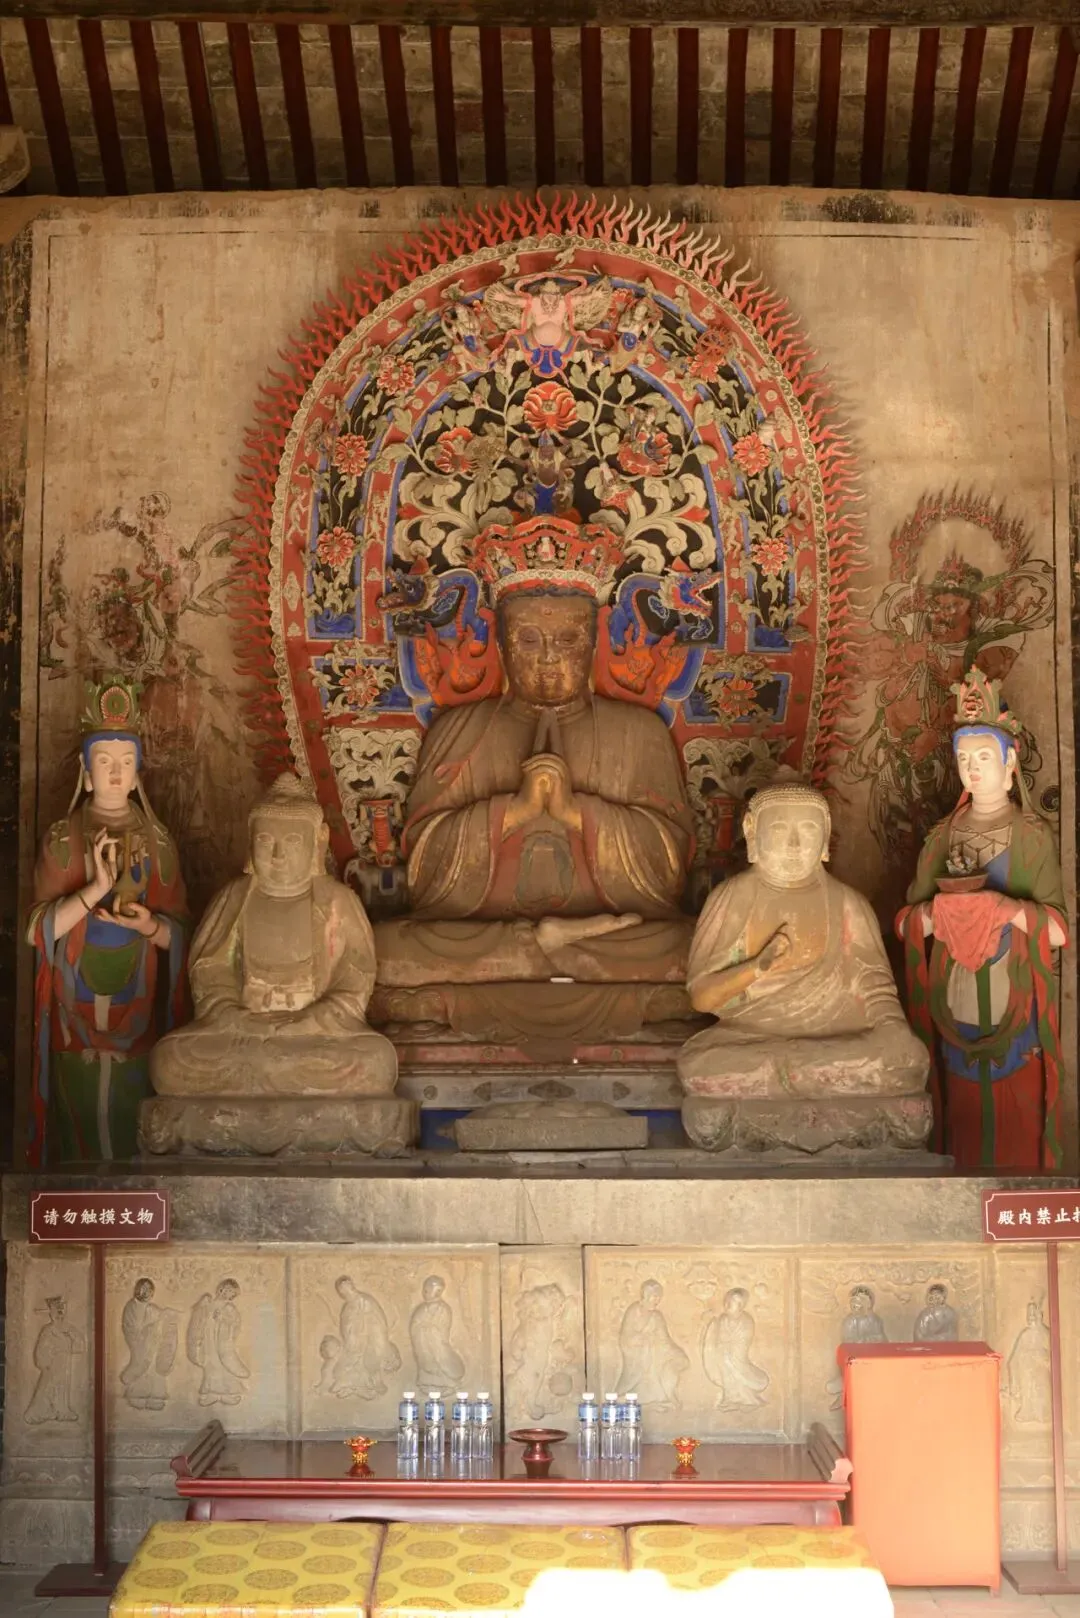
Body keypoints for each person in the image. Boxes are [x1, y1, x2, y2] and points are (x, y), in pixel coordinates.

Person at [373, 513, 696, 1046]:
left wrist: (578, 814)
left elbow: (667, 873)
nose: (549, 658)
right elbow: (425, 872)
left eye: (568, 640)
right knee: (384, 949)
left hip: (609, 937)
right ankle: (552, 950)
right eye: (528, 640)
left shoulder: (639, 732)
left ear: (592, 646)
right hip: (487, 937)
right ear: (502, 648)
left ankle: (508, 967)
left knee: (694, 947)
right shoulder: (460, 729)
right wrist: (512, 813)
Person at [897, 668, 1067, 1168]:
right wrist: (938, 914)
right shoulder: (942, 837)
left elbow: (1058, 931)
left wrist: (1006, 910)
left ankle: (1020, 1209)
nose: (972, 769)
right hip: (955, 1002)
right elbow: (906, 924)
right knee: (963, 1121)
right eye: (964, 759)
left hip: (1016, 1004)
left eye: (984, 757)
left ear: (1010, 761)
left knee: (1018, 1115)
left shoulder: (1031, 836)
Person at [678, 779, 928, 1101]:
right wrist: (756, 968)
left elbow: (874, 985)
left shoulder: (847, 903)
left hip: (838, 1036)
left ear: (825, 836)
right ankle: (814, 1074)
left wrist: (893, 1029)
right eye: (779, 829)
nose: (794, 845)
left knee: (908, 1058)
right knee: (699, 1064)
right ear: (752, 831)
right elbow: (702, 998)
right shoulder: (732, 897)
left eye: (809, 829)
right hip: (751, 1036)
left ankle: (792, 1073)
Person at [150, 773, 397, 1100]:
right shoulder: (234, 897)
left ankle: (268, 1075)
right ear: (250, 844)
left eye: (292, 841)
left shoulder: (337, 901)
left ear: (317, 843)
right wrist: (234, 1015)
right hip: (241, 1034)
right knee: (170, 1060)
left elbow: (355, 977)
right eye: (266, 841)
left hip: (315, 1036)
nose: (278, 855)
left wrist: (311, 1020)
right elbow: (210, 971)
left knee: (375, 1061)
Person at [28, 677, 187, 1162]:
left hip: (136, 1009)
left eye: (125, 762)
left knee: (128, 1125)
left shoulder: (158, 843)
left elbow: (183, 935)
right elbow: (37, 931)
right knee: (75, 1129)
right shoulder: (63, 839)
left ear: (138, 775)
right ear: (86, 772)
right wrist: (94, 890)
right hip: (72, 1011)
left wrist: (149, 927)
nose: (115, 773)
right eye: (104, 761)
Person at [617, 1279, 689, 1410]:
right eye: (654, 1296)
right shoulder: (634, 1311)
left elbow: (665, 1340)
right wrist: (641, 1339)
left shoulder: (657, 1316)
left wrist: (678, 1353)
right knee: (635, 1387)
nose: (657, 1300)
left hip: (654, 1358)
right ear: (646, 1295)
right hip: (637, 1356)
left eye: (659, 1297)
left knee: (662, 1368)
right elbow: (625, 1336)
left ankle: (656, 1399)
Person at [702, 1287, 769, 1410]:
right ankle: (730, 1398)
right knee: (725, 1365)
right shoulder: (723, 1319)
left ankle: (747, 1399)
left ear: (740, 1306)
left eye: (731, 1303)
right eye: (726, 1302)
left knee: (732, 1364)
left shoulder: (746, 1321)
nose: (727, 1305)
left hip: (737, 1356)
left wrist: (730, 1349)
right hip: (723, 1354)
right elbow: (720, 1337)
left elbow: (743, 1341)